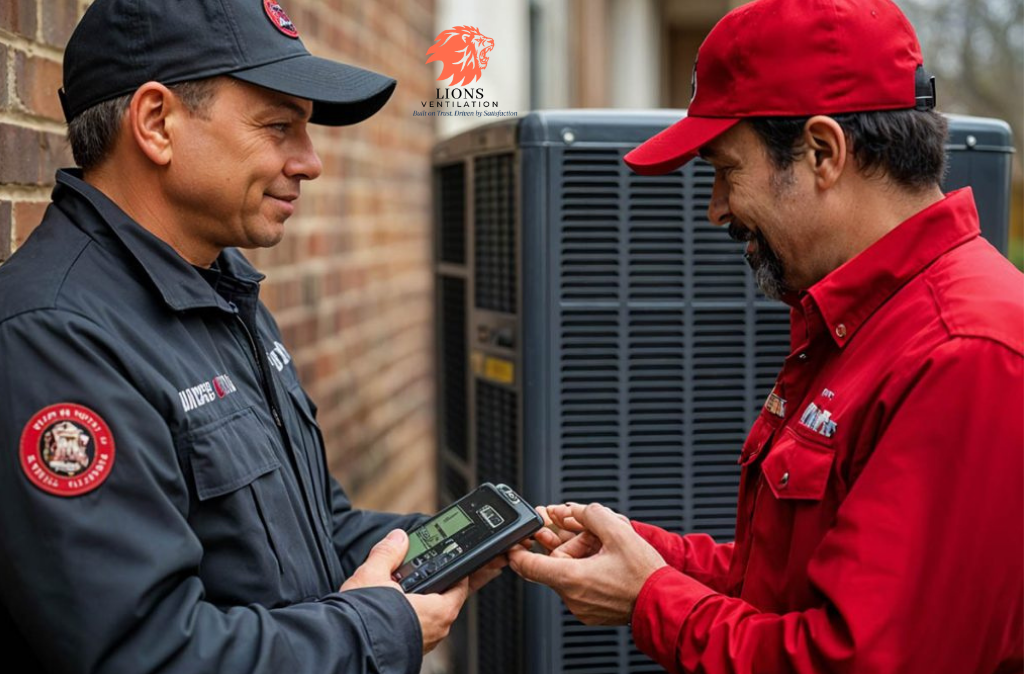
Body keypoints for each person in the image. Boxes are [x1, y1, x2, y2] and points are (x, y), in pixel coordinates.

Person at [510, 0, 1023, 672]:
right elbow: (791, 582)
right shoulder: (864, 321)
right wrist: (651, 556)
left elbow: (857, 664)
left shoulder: (967, 353)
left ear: (822, 152)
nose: (715, 208)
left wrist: (650, 597)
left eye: (726, 170)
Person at [0, 0, 497, 673]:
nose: (309, 162)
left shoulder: (221, 289)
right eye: (278, 126)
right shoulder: (57, 339)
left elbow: (316, 532)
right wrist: (379, 630)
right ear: (156, 123)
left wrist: (466, 538)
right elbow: (147, 655)